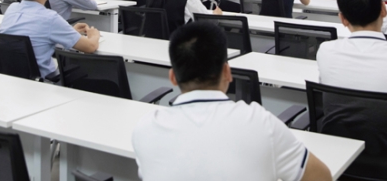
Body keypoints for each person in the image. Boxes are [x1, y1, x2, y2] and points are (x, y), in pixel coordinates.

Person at [132, 21, 331, 181]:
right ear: (227, 72)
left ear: (173, 77)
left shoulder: (145, 129)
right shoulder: (261, 124)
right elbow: (321, 177)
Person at [0, 0, 100, 81]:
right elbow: (90, 47)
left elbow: (37, 36)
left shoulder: (12, 9)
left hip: (11, 81)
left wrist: (70, 31)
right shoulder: (50, 18)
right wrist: (94, 35)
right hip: (44, 83)